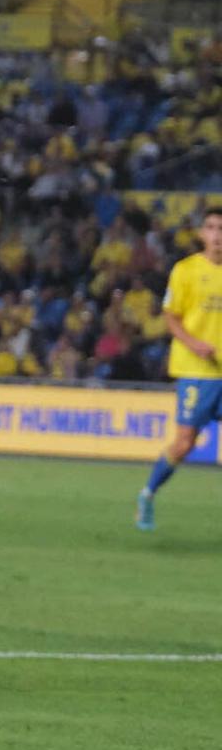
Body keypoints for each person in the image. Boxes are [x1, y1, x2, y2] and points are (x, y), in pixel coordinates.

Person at [136, 206, 222, 530]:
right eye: (211, 228)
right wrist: (195, 344)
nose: (217, 235)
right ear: (201, 234)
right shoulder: (185, 270)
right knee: (185, 442)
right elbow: (171, 318)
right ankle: (148, 494)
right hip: (197, 371)